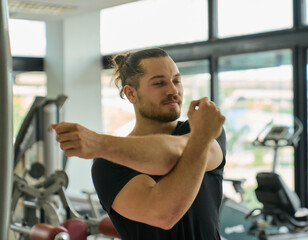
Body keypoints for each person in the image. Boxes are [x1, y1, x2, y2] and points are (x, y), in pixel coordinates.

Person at [51, 48, 226, 240]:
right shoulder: (108, 163)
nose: (173, 90)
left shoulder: (198, 131)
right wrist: (199, 140)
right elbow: (163, 213)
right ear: (131, 94)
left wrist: (100, 143)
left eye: (176, 80)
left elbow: (169, 153)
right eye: (159, 83)